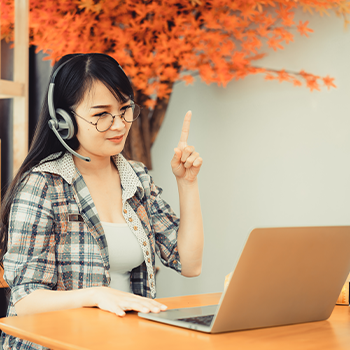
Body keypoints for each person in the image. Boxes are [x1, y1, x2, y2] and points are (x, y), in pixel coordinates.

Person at [0, 53, 204, 350]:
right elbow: (26, 299)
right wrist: (96, 295)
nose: (119, 124)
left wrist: (187, 183)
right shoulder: (43, 185)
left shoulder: (137, 178)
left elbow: (190, 263)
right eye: (101, 115)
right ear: (64, 121)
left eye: (124, 110)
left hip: (127, 341)